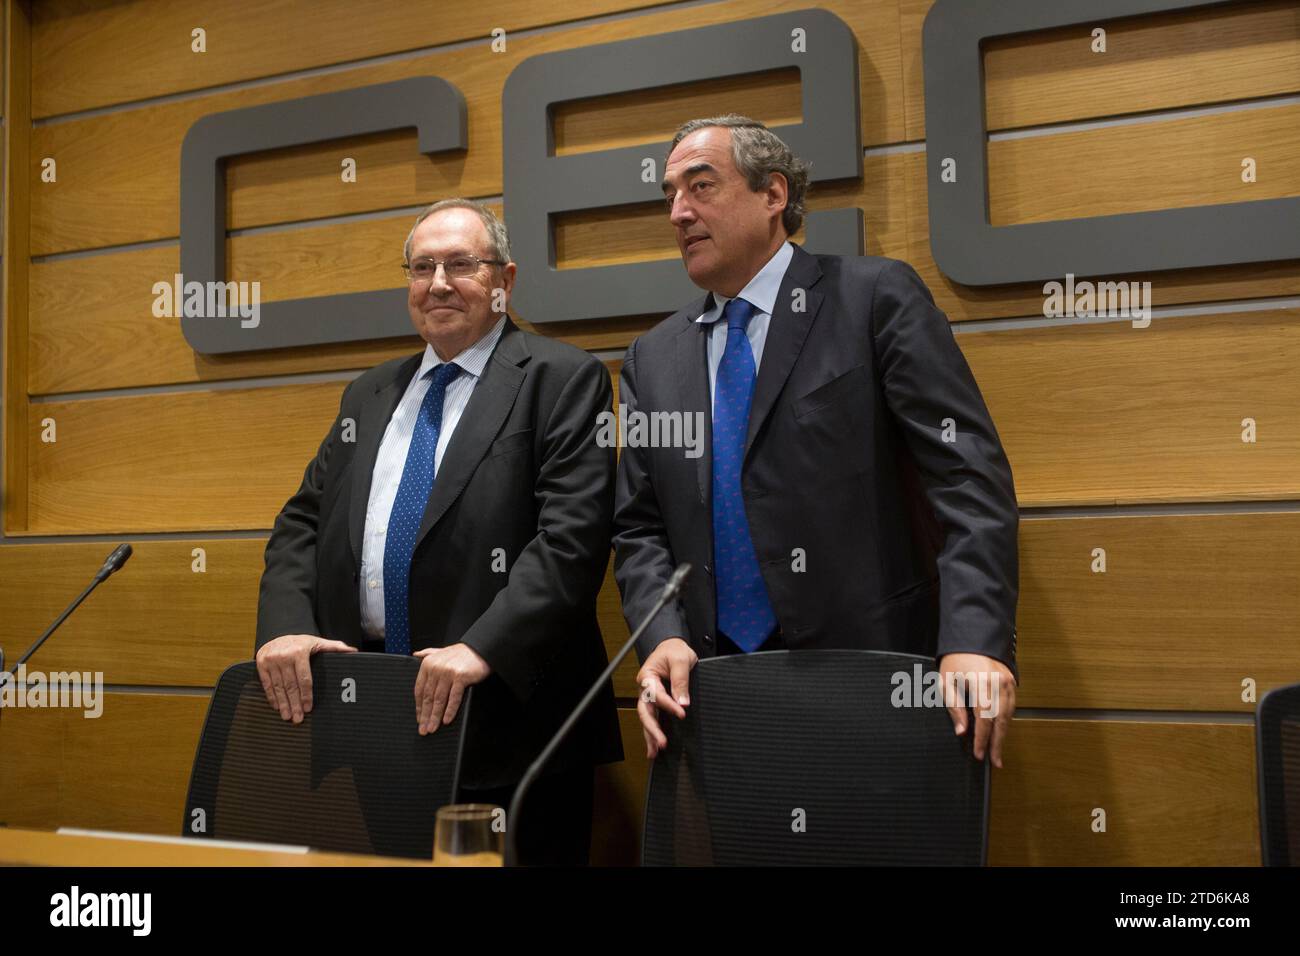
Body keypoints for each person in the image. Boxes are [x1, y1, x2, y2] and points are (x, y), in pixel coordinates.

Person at [614, 115, 1020, 767]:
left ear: (773, 195)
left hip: (875, 678)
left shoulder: (873, 299)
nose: (678, 213)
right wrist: (661, 634)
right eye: (669, 195)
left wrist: (974, 638)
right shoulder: (652, 357)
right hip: (713, 697)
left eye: (700, 186)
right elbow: (638, 527)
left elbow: (968, 481)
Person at [255, 199, 622, 865]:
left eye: (461, 265)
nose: (439, 283)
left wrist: (482, 646)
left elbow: (573, 539)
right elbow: (302, 521)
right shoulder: (368, 395)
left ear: (503, 279)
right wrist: (285, 624)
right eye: (422, 267)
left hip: (509, 718)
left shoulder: (563, 380)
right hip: (376, 715)